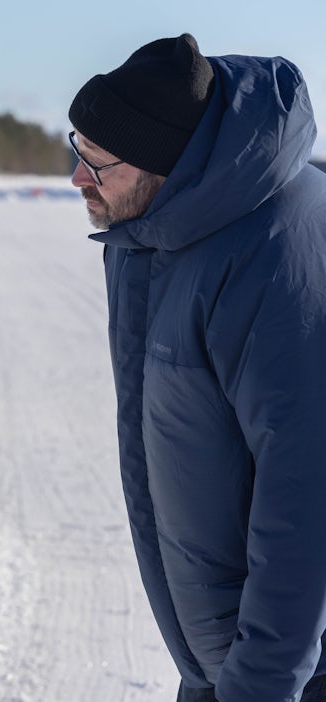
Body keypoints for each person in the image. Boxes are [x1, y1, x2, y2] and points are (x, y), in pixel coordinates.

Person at [70, 34, 326, 701]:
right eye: (76, 149)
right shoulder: (157, 229)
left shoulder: (272, 260)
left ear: (165, 164)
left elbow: (306, 499)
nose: (77, 177)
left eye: (97, 162)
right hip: (223, 668)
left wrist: (260, 683)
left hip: (289, 674)